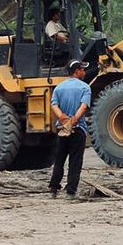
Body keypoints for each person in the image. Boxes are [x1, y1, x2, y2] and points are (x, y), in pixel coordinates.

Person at [49, 59, 91, 199]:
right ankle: (70, 192)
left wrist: (62, 117)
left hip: (62, 129)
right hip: (78, 129)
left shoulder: (59, 88)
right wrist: (74, 120)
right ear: (77, 71)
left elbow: (54, 105)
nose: (84, 72)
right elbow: (83, 106)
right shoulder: (85, 87)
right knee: (75, 161)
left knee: (59, 160)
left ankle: (54, 188)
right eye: (83, 69)